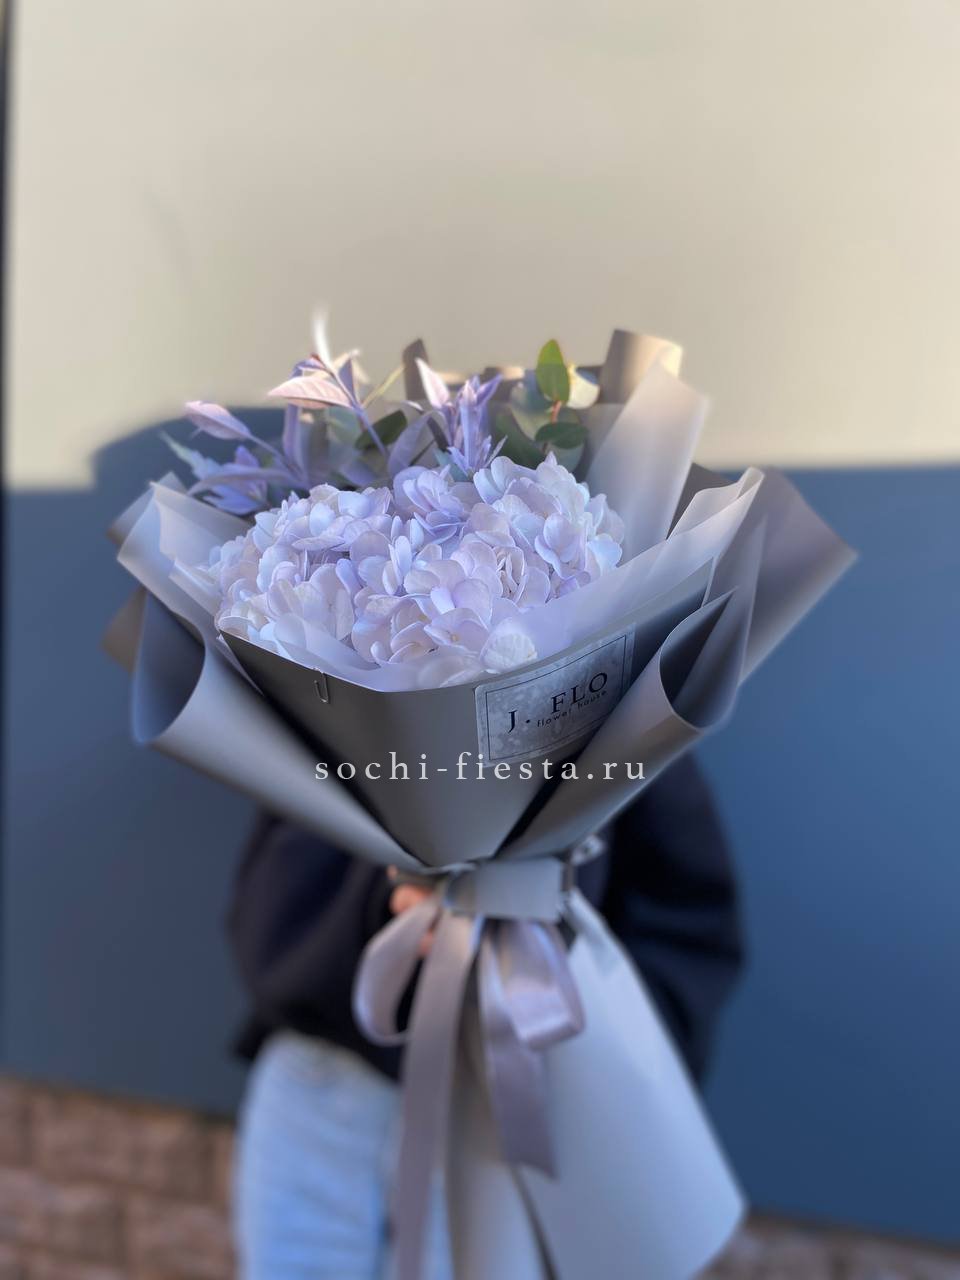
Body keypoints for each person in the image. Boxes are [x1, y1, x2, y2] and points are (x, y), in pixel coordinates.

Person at [228, 754, 743, 1280]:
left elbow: (685, 931)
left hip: (502, 1107)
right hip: (323, 1083)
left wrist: (552, 989)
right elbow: (275, 898)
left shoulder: (623, 733)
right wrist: (390, 910)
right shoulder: (345, 711)